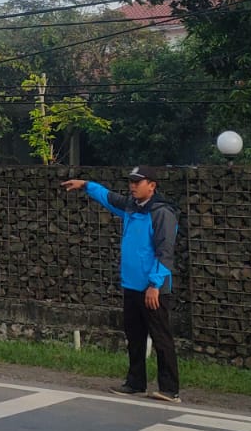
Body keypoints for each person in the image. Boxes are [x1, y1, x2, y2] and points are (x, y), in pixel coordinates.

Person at [63, 166, 180, 402]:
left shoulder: (161, 213)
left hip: (153, 288)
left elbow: (165, 251)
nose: (133, 186)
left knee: (161, 338)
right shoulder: (130, 208)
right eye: (131, 182)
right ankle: (136, 382)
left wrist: (155, 284)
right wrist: (86, 185)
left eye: (138, 182)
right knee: (134, 336)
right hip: (132, 285)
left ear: (152, 185)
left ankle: (170, 389)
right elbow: (108, 198)